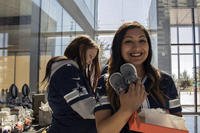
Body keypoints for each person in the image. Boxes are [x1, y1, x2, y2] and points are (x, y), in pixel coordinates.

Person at [94, 21, 182, 133]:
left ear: (149, 46)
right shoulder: (107, 81)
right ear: (118, 47)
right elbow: (104, 130)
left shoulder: (165, 80)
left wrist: (146, 118)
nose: (136, 47)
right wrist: (126, 109)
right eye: (128, 41)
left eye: (142, 40)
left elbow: (178, 126)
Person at [42, 35, 100, 133]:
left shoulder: (69, 71)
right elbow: (85, 108)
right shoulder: (68, 72)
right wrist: (112, 109)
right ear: (81, 49)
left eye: (93, 59)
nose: (90, 62)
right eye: (90, 56)